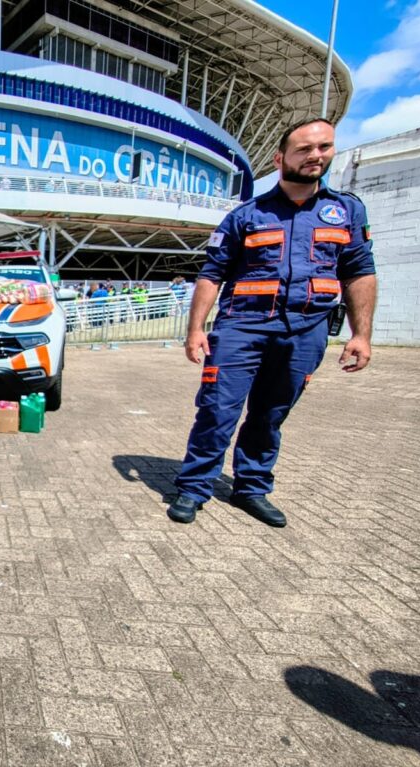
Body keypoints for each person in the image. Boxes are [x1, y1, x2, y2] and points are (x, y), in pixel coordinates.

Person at [168, 118, 377, 528]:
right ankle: (194, 487)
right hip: (241, 328)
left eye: (323, 147)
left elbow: (360, 272)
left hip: (306, 330)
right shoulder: (247, 215)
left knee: (271, 413)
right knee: (217, 409)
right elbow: (212, 274)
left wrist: (361, 335)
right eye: (304, 149)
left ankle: (252, 487)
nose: (315, 156)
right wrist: (195, 330)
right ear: (281, 157)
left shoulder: (346, 211)